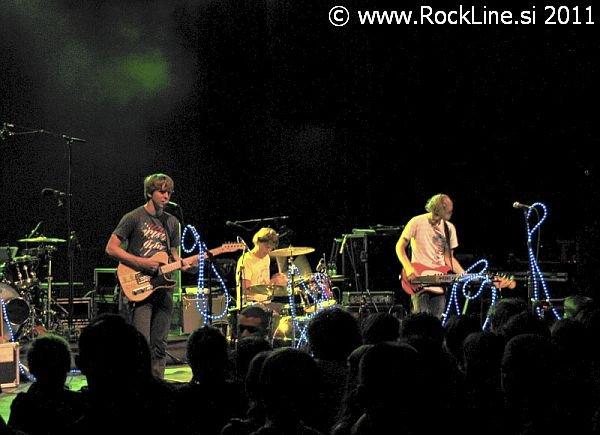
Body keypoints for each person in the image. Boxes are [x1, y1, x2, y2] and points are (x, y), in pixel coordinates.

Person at [105, 173, 191, 378]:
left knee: (160, 344)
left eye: (169, 192)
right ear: (150, 193)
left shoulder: (172, 222)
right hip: (140, 286)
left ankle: (157, 385)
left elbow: (174, 254)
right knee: (140, 344)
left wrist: (183, 264)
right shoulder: (133, 217)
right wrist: (141, 263)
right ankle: (138, 385)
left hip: (164, 288)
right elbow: (111, 248)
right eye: (161, 191)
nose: (166, 196)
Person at [396, 193, 465, 318]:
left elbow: (448, 258)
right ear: (439, 208)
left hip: (439, 284)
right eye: (448, 207)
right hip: (419, 281)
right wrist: (409, 269)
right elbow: (399, 247)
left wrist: (464, 275)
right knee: (421, 320)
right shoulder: (416, 222)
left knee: (436, 323)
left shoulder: (449, 228)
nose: (451, 210)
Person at [235, 227, 286, 309]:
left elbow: (263, 283)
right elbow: (246, 290)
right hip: (250, 306)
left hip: (265, 303)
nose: (268, 251)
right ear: (258, 242)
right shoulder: (246, 260)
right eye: (267, 247)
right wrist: (271, 283)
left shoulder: (266, 258)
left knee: (285, 309)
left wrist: (275, 282)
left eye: (271, 248)